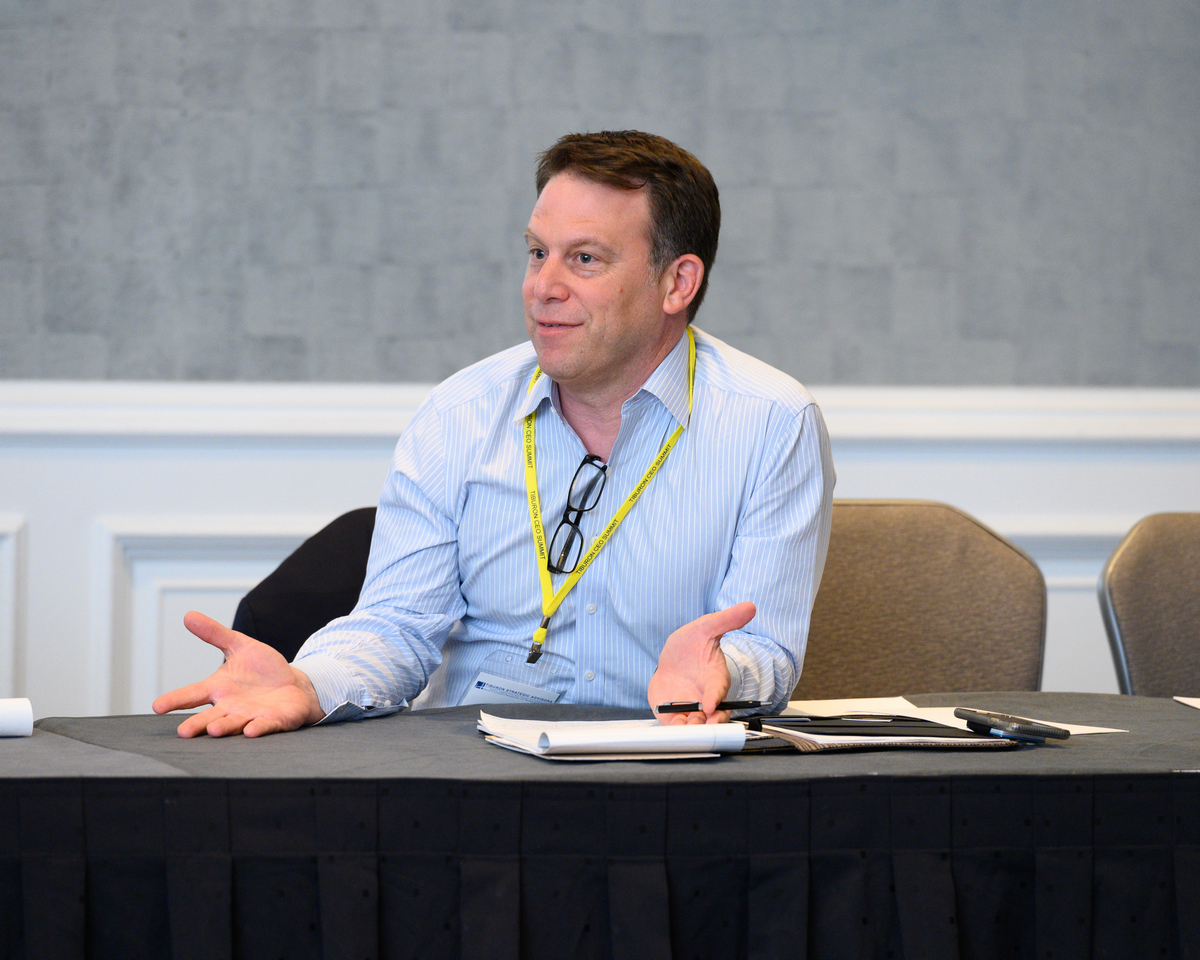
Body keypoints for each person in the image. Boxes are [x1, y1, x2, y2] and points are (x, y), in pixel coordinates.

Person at [154, 130, 835, 737]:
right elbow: (395, 627)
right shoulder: (460, 413)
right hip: (478, 783)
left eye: (585, 259)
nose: (543, 286)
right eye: (538, 253)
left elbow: (767, 651)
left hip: (665, 773)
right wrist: (309, 684)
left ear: (677, 282)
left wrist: (724, 670)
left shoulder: (771, 423)